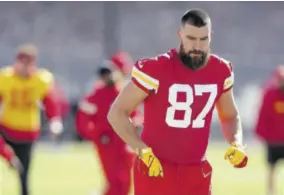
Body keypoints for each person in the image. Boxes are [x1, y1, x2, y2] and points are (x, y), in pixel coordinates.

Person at [108, 9, 248, 195]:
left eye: (203, 39)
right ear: (180, 35)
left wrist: (236, 142)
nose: (197, 46)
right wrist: (142, 150)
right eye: (191, 38)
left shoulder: (221, 70)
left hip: (197, 172)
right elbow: (117, 112)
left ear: (210, 37)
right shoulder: (156, 68)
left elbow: (230, 115)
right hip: (156, 168)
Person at [0, 44, 64, 195]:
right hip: (7, 127)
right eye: (22, 63)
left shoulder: (41, 79)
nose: (24, 67)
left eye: (27, 64)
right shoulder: (6, 77)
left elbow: (50, 101)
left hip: (27, 131)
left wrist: (54, 120)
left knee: (23, 173)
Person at [76, 66, 141, 195]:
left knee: (125, 179)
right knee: (114, 179)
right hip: (107, 143)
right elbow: (83, 121)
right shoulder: (96, 96)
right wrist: (97, 135)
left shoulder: (122, 92)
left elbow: (135, 114)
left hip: (124, 142)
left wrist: (136, 125)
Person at [255, 65, 284, 195]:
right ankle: (271, 192)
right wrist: (262, 134)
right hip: (273, 142)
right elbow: (263, 115)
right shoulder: (269, 94)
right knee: (271, 169)